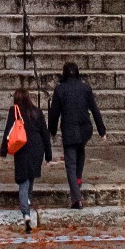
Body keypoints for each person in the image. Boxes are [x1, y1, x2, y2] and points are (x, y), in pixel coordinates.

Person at [47, 61, 106, 209]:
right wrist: (102, 130)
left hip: (70, 129)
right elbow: (95, 110)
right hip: (84, 129)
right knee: (80, 157)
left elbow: (54, 113)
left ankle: (76, 198)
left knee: (71, 165)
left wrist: (52, 130)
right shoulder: (85, 88)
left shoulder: (60, 90)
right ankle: (78, 183)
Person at [0, 85, 51, 232]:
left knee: (23, 180)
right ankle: (27, 200)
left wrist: (3, 150)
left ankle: (26, 214)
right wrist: (48, 154)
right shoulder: (37, 111)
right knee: (31, 176)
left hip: (22, 148)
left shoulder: (14, 111)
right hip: (37, 148)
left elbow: (8, 131)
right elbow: (45, 134)